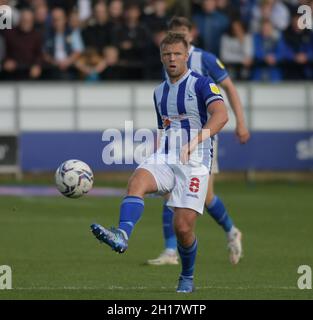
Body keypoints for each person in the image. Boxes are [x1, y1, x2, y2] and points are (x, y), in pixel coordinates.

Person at [91, 32, 229, 293]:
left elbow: (221, 116)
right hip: (166, 157)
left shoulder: (202, 84)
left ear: (186, 55)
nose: (172, 58)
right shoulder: (159, 92)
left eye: (177, 53)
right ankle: (122, 234)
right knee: (137, 181)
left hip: (196, 162)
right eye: (167, 54)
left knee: (183, 228)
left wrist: (194, 142)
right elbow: (164, 129)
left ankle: (187, 276)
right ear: (161, 58)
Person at [147, 16, 250, 266]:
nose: (179, 38)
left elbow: (229, 88)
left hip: (202, 140)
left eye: (183, 32)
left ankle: (230, 230)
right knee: (169, 191)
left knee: (204, 196)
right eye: (174, 32)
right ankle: (171, 251)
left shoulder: (205, 59)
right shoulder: (171, 59)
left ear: (191, 35)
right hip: (176, 141)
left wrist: (241, 121)